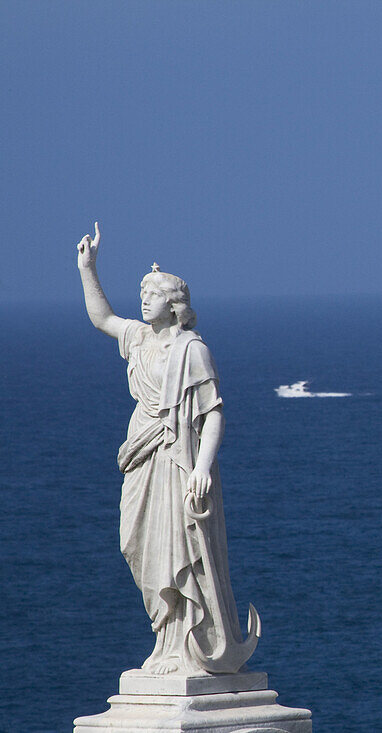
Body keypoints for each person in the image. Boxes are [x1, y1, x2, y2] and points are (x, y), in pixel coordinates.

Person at [76, 223, 258, 676]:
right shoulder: (138, 339)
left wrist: (203, 467)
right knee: (136, 543)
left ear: (174, 304)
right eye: (142, 292)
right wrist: (87, 268)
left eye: (152, 293)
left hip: (178, 458)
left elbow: (212, 413)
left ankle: (182, 646)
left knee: (178, 547)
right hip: (142, 455)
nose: (144, 299)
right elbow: (102, 318)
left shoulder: (192, 350)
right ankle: (165, 639)